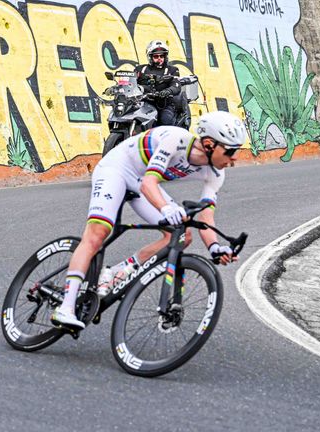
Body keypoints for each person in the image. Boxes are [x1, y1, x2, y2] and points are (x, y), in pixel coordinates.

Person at [50, 111, 247, 330]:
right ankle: (65, 307)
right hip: (117, 169)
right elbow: (149, 183)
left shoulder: (216, 174)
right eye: (230, 151)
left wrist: (215, 247)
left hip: (140, 181)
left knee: (182, 236)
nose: (235, 157)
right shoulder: (176, 140)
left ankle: (116, 272)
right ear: (209, 144)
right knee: (97, 234)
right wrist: (166, 208)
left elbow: (206, 216)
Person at [134, 40, 181, 127]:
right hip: (144, 102)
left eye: (162, 56)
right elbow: (130, 82)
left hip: (164, 103)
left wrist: (168, 91)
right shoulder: (140, 69)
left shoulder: (172, 70)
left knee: (165, 120)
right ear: (150, 57)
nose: (159, 58)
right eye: (156, 56)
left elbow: (176, 85)